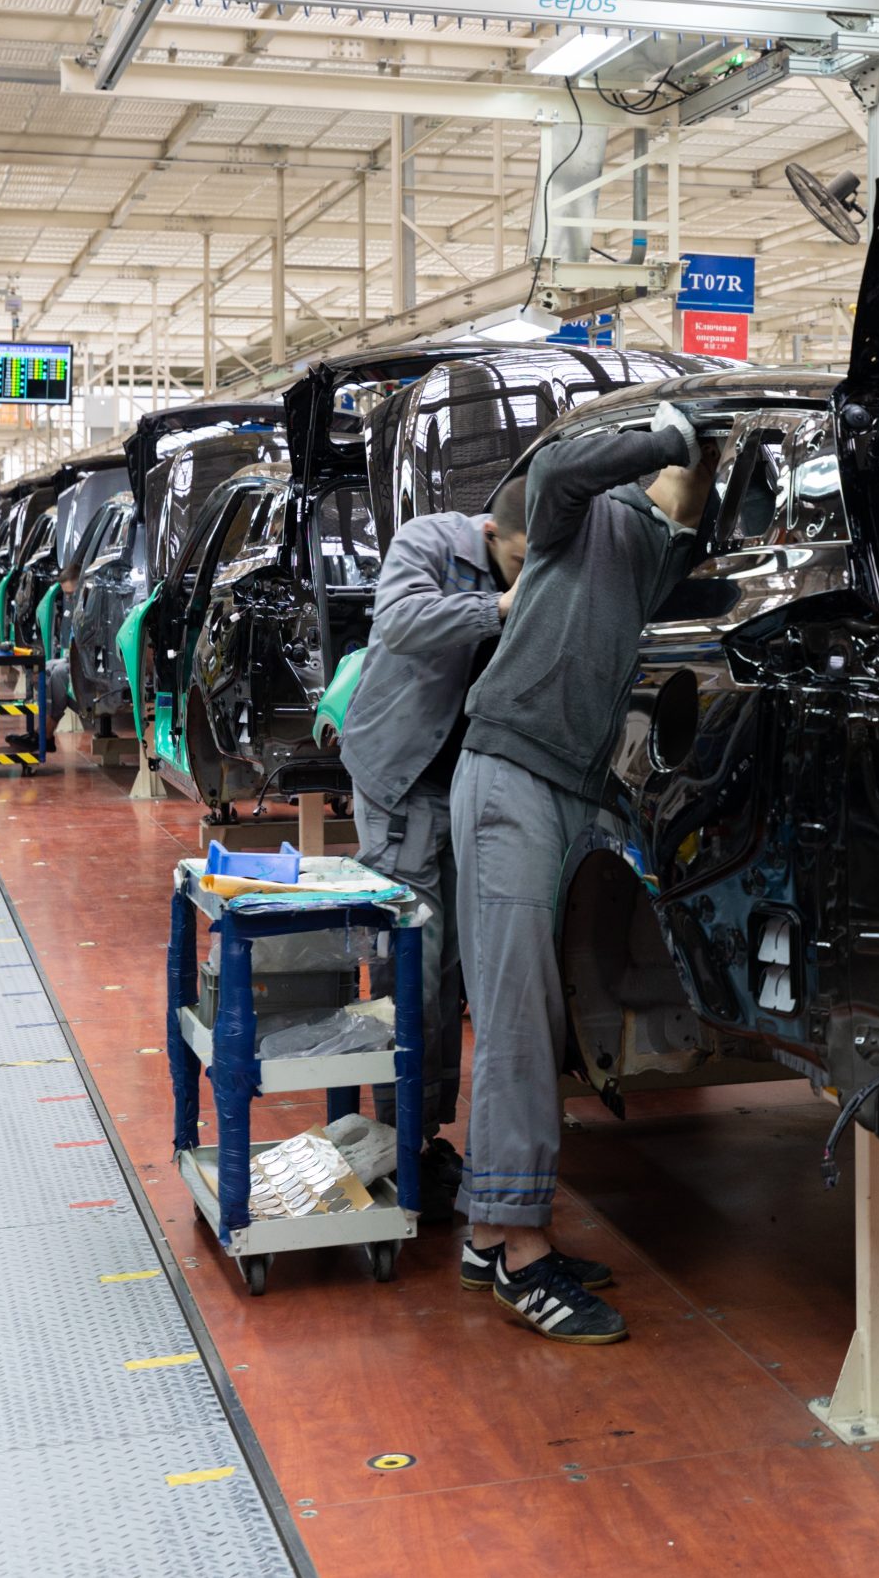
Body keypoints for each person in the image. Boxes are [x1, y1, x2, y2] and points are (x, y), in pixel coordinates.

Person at [453, 401, 719, 1344]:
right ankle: (520, 1248)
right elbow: (560, 463)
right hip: (514, 773)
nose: (695, 483)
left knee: (537, 1014)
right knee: (519, 1014)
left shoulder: (673, 547)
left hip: (565, 785)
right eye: (690, 465)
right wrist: (676, 428)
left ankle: (492, 1231)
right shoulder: (591, 507)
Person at [336, 484, 529, 1222]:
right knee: (408, 962)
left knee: (448, 974)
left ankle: (418, 1136)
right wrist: (502, 608)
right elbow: (404, 620)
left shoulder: (523, 566)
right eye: (515, 561)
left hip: (462, 791)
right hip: (400, 780)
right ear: (491, 532)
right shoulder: (428, 542)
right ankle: (391, 1141)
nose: (519, 577)